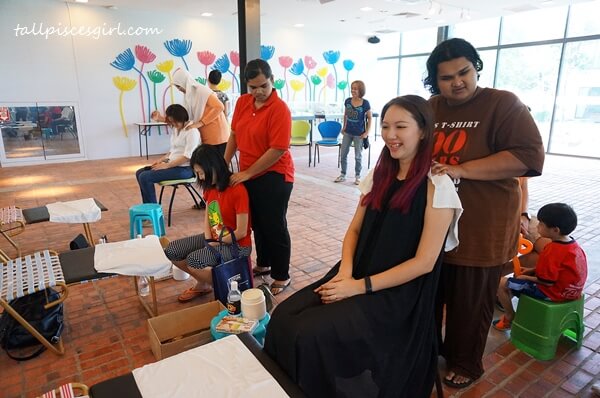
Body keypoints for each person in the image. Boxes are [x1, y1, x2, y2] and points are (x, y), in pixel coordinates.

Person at [264, 95, 462, 397]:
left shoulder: (438, 186)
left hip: (397, 295)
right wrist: (345, 273)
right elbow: (355, 229)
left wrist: (358, 287)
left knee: (309, 334)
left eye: (400, 127)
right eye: (385, 126)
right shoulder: (379, 174)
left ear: (423, 131)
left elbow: (424, 263)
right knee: (282, 319)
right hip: (355, 273)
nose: (390, 135)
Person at [425, 38, 545, 388]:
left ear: (476, 66)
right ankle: (427, 349)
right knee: (431, 294)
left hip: (482, 225)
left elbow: (528, 157)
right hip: (435, 225)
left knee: (470, 301)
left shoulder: (502, 104)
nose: (456, 82)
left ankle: (466, 362)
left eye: (463, 72)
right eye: (446, 77)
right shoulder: (432, 107)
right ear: (435, 81)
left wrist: (462, 169)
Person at [225, 58, 294, 296]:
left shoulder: (279, 109)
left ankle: (282, 274)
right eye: (253, 87)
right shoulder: (244, 103)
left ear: (272, 81)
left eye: (263, 85)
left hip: (275, 174)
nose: (259, 91)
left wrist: (247, 173)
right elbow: (234, 134)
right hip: (248, 175)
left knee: (274, 225)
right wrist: (224, 163)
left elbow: (277, 149)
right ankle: (264, 263)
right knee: (257, 223)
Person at [164, 144, 252, 302]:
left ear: (212, 167)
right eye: (198, 174)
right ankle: (204, 284)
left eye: (201, 172)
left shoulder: (237, 190)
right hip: (217, 237)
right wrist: (208, 238)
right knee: (172, 250)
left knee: (194, 260)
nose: (201, 178)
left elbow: (241, 232)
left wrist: (217, 241)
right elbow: (209, 215)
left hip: (238, 244)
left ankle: (230, 287)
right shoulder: (211, 188)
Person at [493, 203, 587, 330]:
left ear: (555, 230)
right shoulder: (573, 246)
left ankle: (509, 317)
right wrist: (531, 270)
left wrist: (526, 277)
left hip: (553, 293)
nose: (537, 226)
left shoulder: (552, 250)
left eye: (541, 224)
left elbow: (547, 281)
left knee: (501, 283)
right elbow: (559, 270)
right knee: (519, 277)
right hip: (572, 292)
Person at [152, 68, 229, 156]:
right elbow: (183, 119)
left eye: (178, 86)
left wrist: (200, 123)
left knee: (217, 168)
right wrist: (161, 119)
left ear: (185, 82)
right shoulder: (188, 97)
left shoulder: (202, 91)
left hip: (218, 138)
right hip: (205, 138)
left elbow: (219, 107)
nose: (178, 89)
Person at [135, 104, 199, 203]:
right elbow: (173, 150)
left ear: (182, 118)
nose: (173, 124)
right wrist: (161, 160)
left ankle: (153, 210)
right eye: (171, 122)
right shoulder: (176, 129)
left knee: (145, 177)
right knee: (139, 172)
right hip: (173, 166)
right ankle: (148, 208)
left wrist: (166, 166)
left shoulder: (192, 131)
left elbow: (187, 157)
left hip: (185, 169)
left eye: (175, 121)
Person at [335, 80, 372, 185]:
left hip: (359, 134)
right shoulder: (347, 101)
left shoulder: (365, 103)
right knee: (343, 154)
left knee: (358, 156)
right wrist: (344, 127)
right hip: (347, 132)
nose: (353, 90)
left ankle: (357, 176)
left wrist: (367, 132)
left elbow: (370, 118)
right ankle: (343, 174)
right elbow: (346, 115)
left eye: (355, 88)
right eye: (352, 88)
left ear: (361, 90)